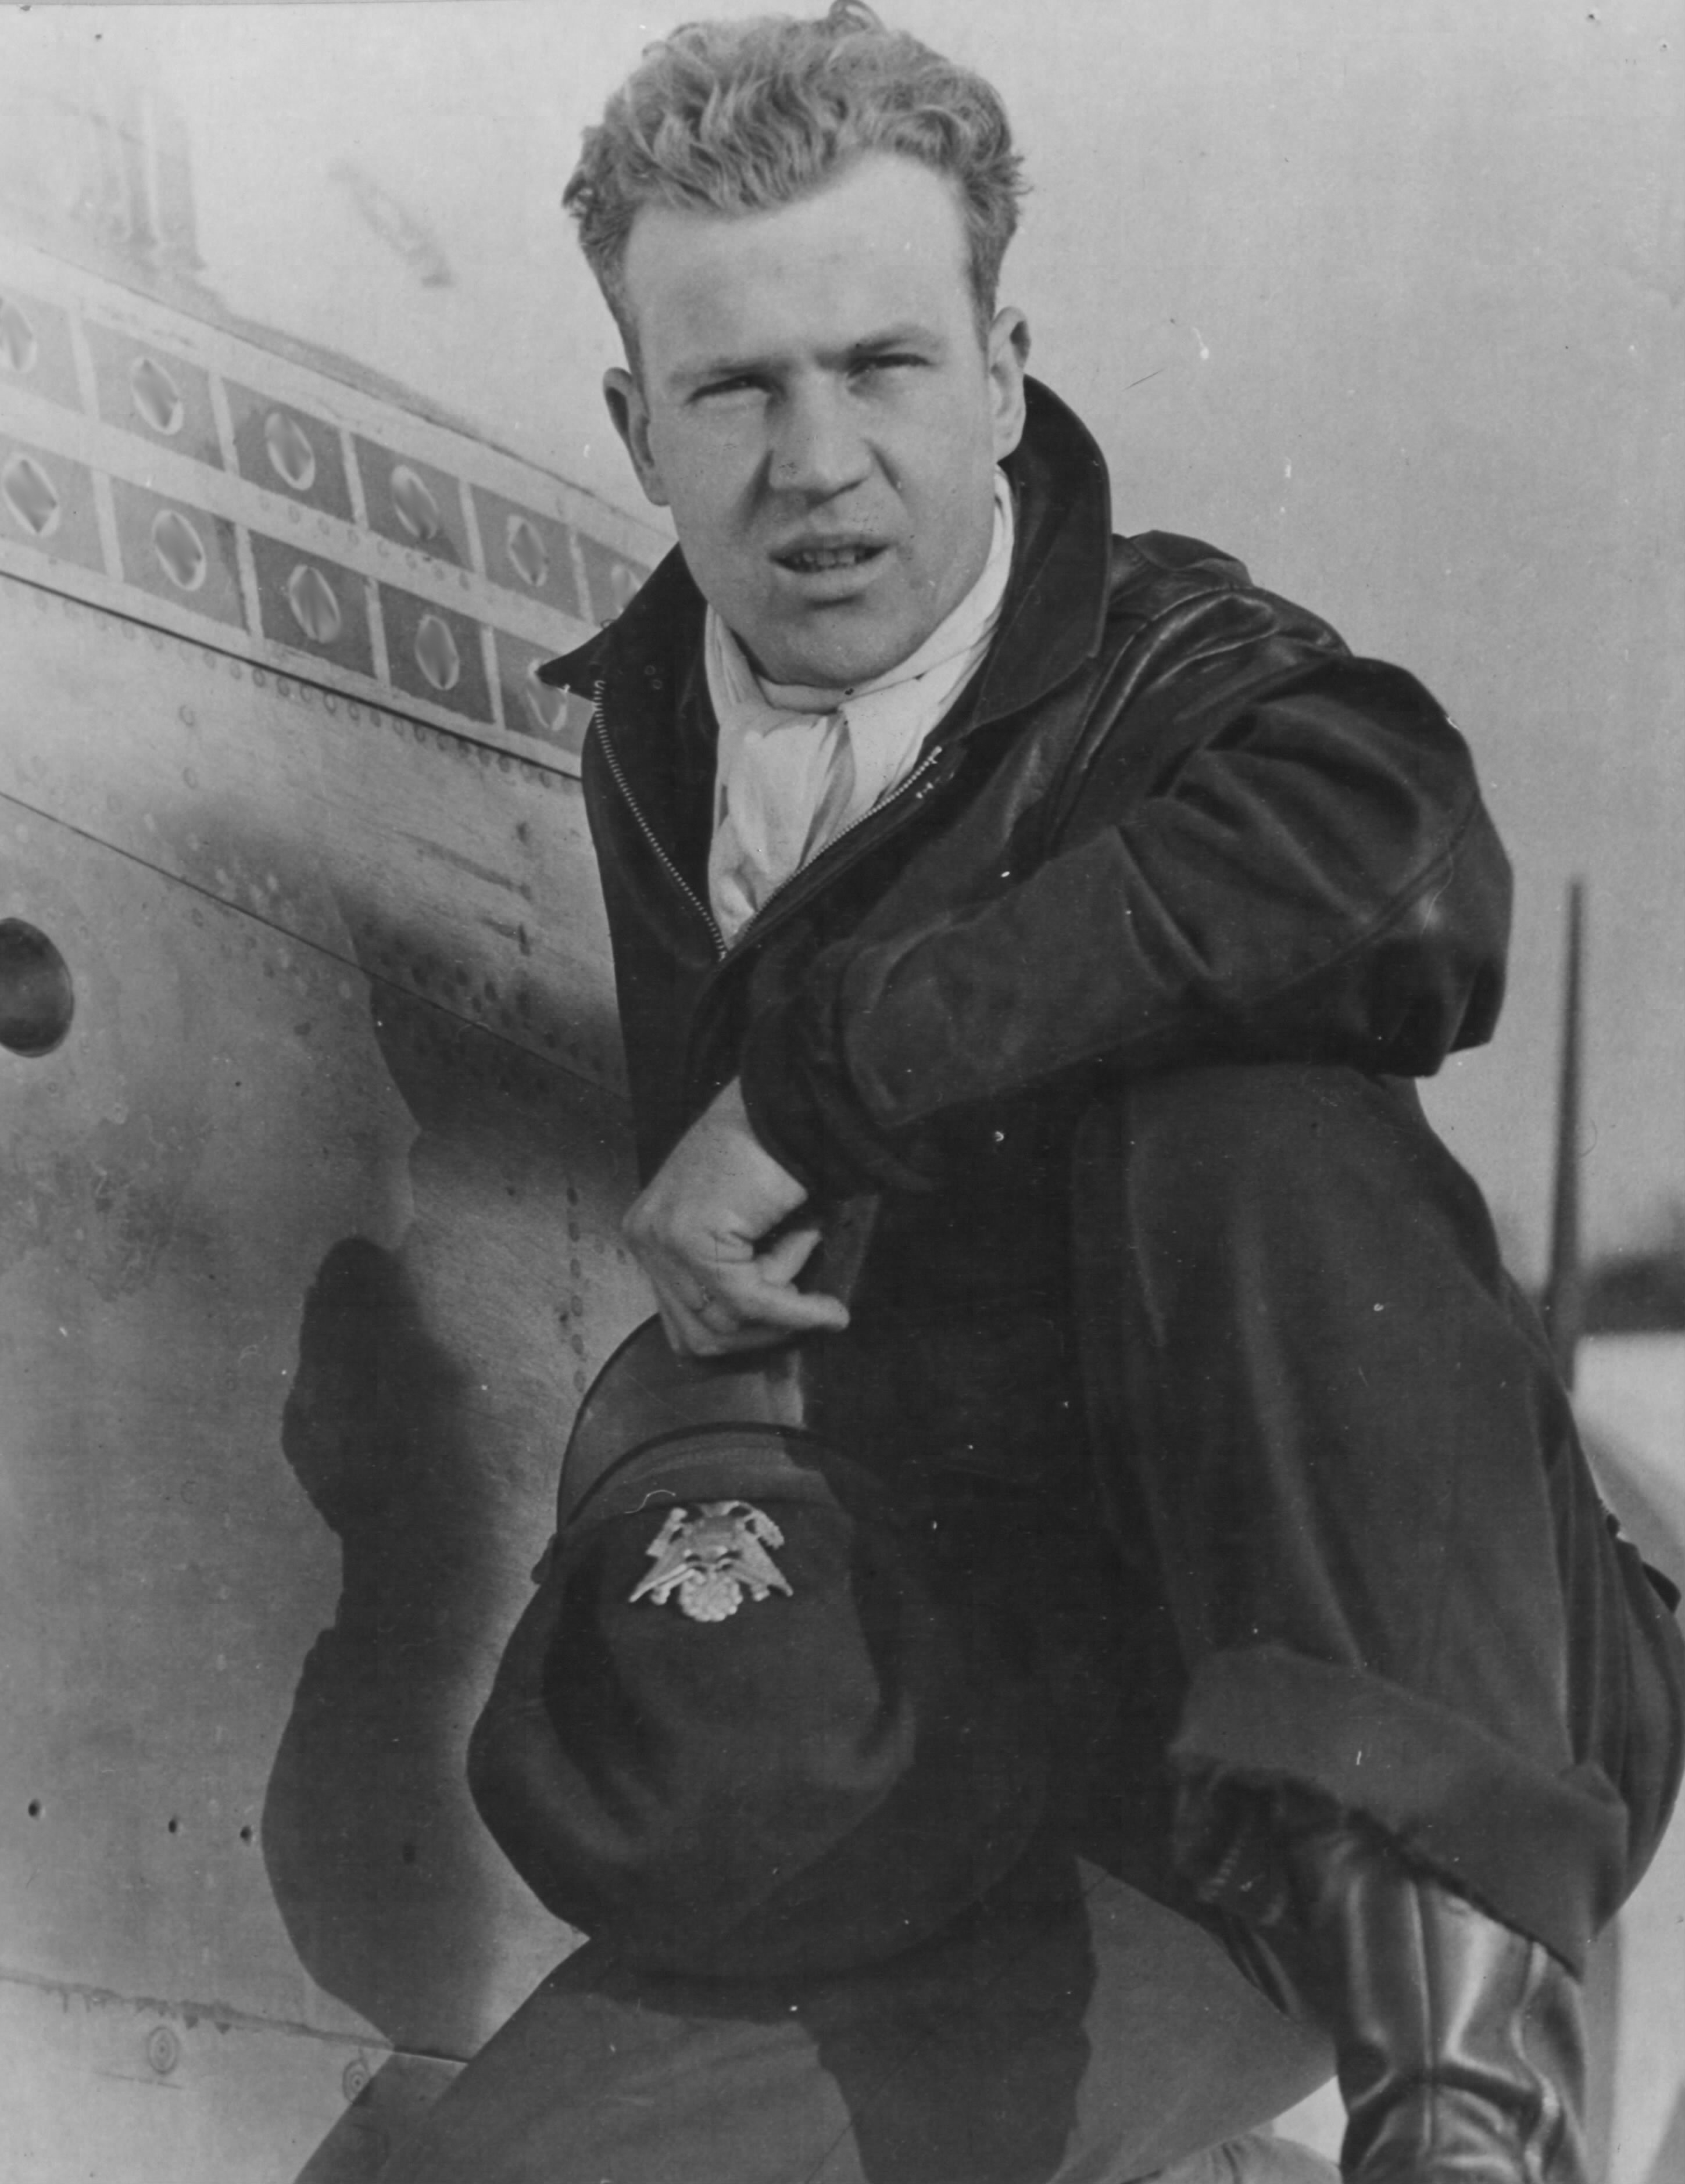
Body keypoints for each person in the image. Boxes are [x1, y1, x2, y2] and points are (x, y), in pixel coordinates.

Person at [384, 8, 1685, 2181]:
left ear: (1001, 372)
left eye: (882, 365)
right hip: (971, 1748)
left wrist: (816, 1088)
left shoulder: (1180, 669)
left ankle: (1466, 2119)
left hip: (1363, 1707)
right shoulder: (652, 730)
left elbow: (1394, 857)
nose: (816, 461)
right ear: (634, 425)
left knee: (1242, 1119)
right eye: (734, 387)